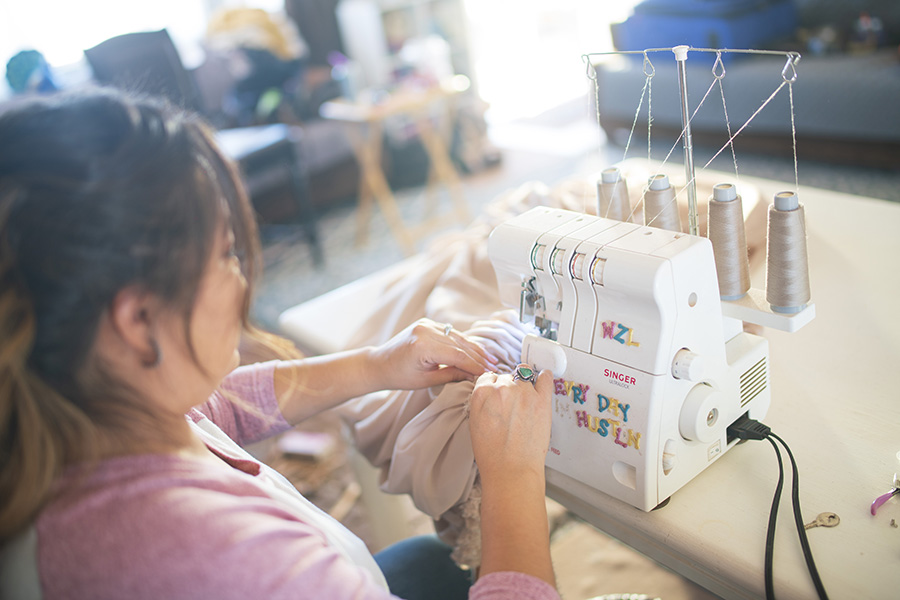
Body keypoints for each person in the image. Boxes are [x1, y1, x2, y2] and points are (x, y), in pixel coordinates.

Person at [0, 88, 560, 600]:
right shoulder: (223, 559)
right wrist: (514, 478)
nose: (240, 278)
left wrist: (376, 365)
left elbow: (212, 410)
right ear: (138, 320)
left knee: (424, 561)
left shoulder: (75, 417)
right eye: (225, 254)